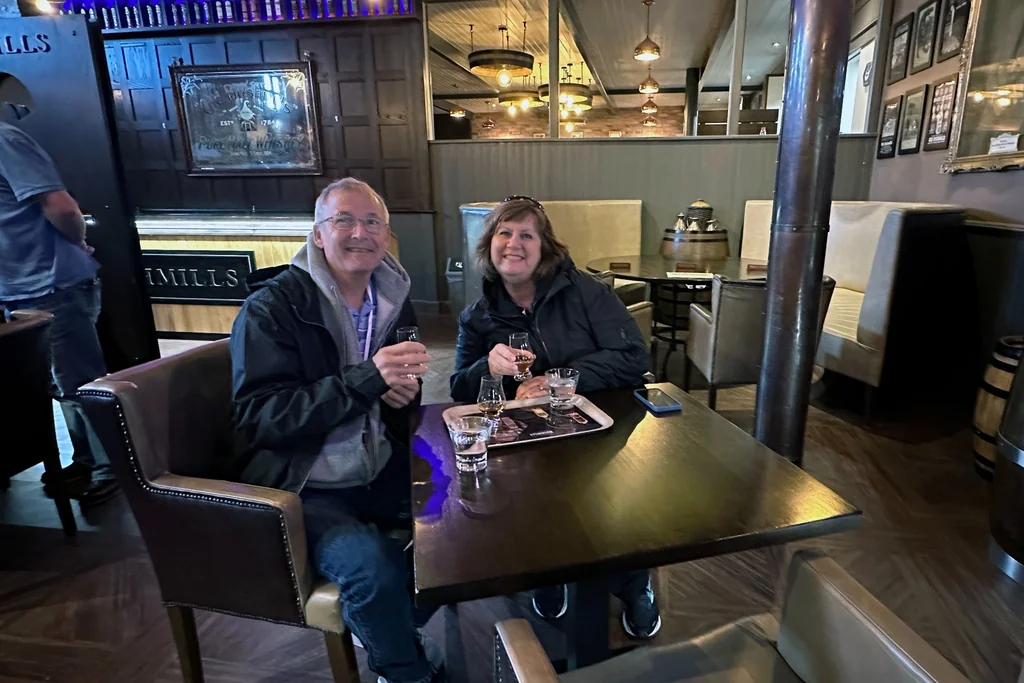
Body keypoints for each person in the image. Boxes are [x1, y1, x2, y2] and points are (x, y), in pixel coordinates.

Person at [229, 178, 442, 683]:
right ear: (318, 236)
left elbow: (390, 402)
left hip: (378, 466)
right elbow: (259, 418)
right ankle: (403, 669)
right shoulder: (272, 308)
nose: (359, 232)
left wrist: (398, 396)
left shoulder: (392, 298)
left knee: (462, 527)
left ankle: (392, 628)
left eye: (372, 222)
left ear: (386, 235)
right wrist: (368, 380)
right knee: (372, 568)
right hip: (304, 486)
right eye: (343, 220)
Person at [449, 196, 661, 639]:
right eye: (504, 233)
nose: (514, 243)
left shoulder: (585, 292)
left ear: (545, 247)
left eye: (527, 234)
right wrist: (487, 368)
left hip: (602, 424)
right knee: (525, 506)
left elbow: (633, 357)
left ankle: (634, 583)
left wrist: (560, 381)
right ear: (489, 245)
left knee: (613, 510)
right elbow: (458, 390)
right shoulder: (478, 315)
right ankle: (546, 574)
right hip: (529, 435)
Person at [0, 120, 119, 507]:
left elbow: (62, 208)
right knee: (55, 385)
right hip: (14, 288)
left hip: (50, 283)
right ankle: (84, 461)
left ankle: (110, 469)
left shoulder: (5, 138)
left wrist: (79, 244)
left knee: (81, 383)